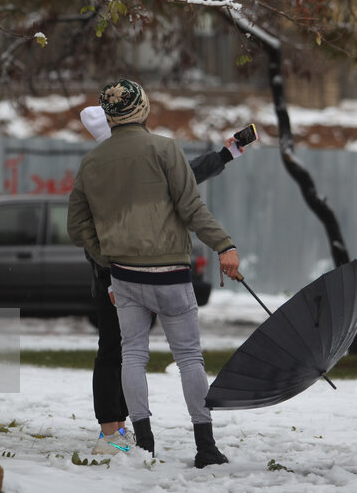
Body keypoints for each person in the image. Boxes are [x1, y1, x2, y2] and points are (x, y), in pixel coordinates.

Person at [67, 79, 240, 468]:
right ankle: (205, 446)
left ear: (109, 118)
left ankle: (143, 443)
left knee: (131, 356)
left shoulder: (92, 162)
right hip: (171, 275)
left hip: (124, 276)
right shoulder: (165, 149)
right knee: (190, 359)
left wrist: (108, 259)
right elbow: (191, 208)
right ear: (143, 109)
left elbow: (77, 227)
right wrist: (224, 245)